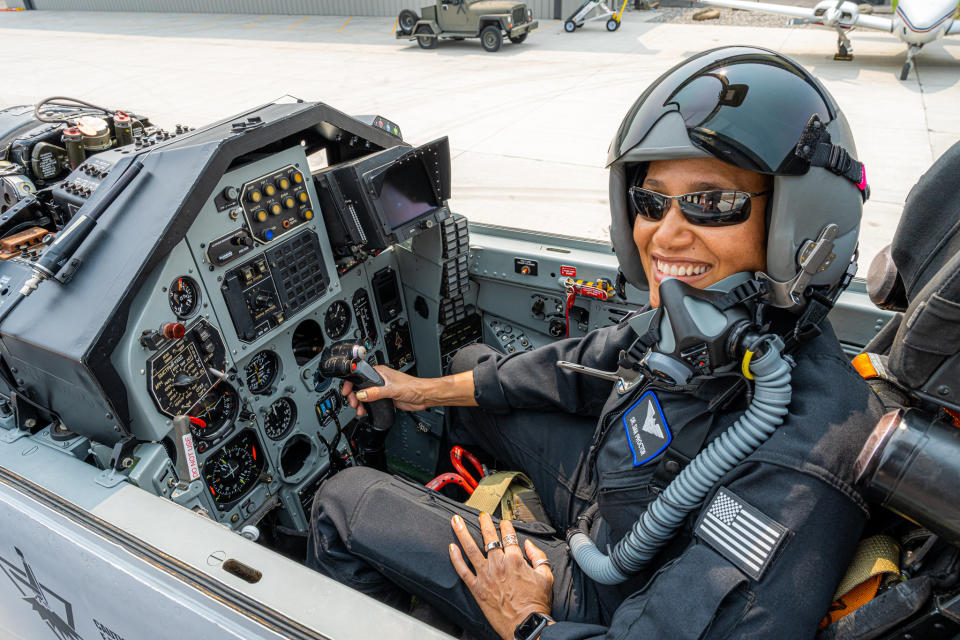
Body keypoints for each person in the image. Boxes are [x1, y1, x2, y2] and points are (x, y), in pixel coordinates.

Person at [306, 46, 883, 639]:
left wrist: (525, 620)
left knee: (342, 504)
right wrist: (422, 392)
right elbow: (578, 365)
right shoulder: (701, 321)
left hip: (605, 597)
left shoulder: (804, 462)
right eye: (650, 201)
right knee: (469, 370)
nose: (666, 233)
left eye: (713, 203)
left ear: (804, 225)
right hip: (616, 496)